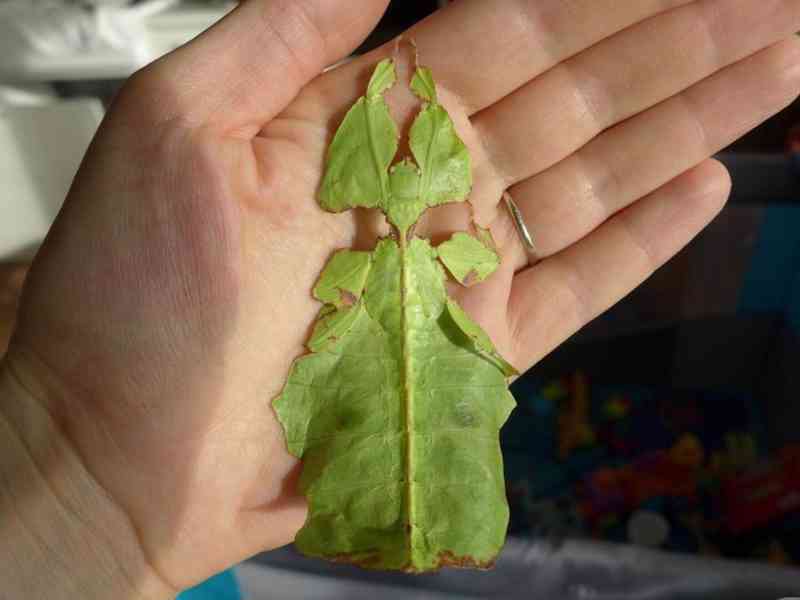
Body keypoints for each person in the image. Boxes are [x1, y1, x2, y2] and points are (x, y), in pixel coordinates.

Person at [0, 0, 798, 597]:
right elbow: (349, 287)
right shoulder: (387, 250)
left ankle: (414, 519)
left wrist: (80, 495)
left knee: (438, 396)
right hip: (386, 308)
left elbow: (420, 266)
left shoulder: (415, 248)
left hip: (406, 305)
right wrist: (81, 489)